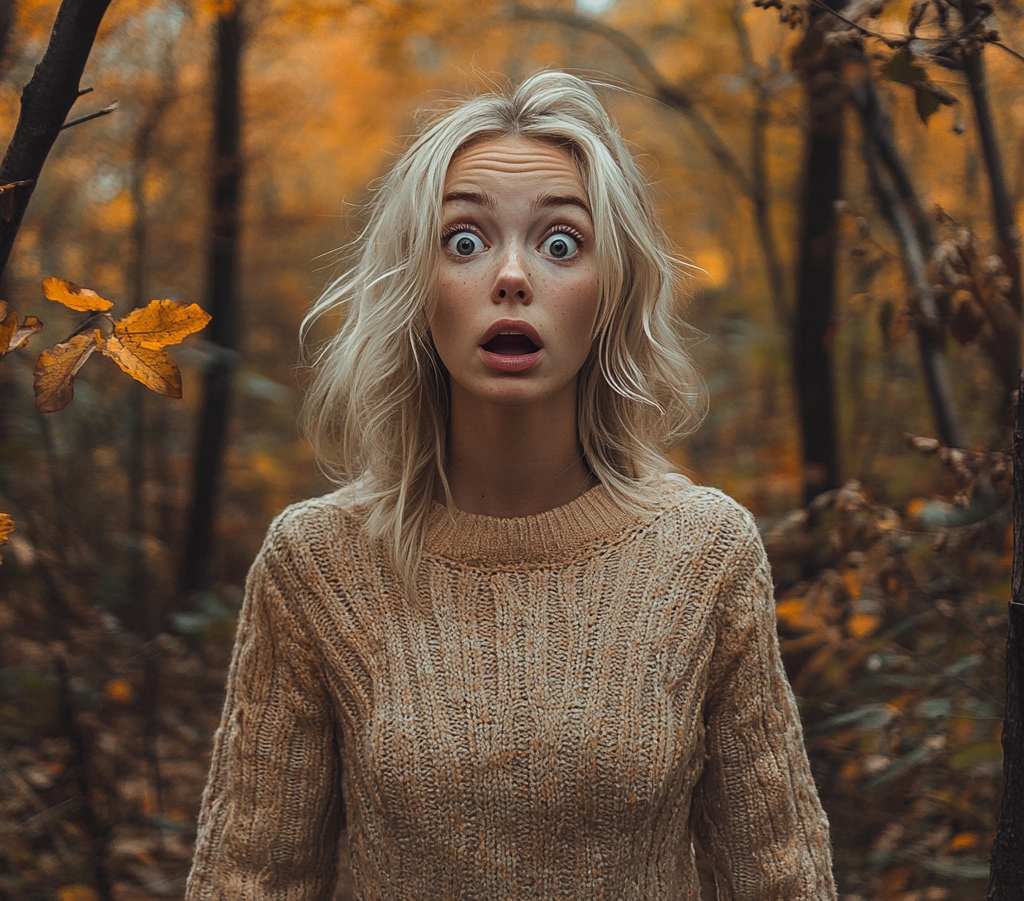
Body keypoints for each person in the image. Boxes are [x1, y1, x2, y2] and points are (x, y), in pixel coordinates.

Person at [184, 71, 836, 901]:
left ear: (612, 292)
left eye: (561, 243)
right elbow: (252, 880)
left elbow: (777, 873)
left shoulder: (703, 551)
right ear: (418, 290)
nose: (512, 276)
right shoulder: (317, 563)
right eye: (465, 241)